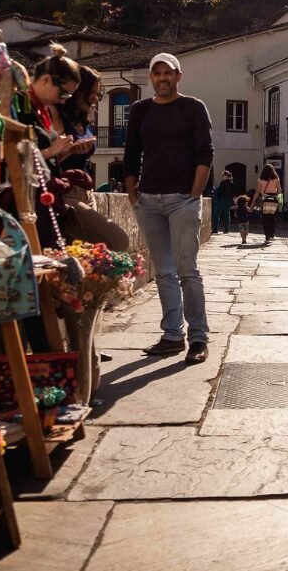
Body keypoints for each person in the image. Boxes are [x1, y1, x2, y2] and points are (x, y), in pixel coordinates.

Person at [123, 52, 214, 365]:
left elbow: (205, 152)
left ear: (178, 76)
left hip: (181, 200)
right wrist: (134, 193)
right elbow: (131, 152)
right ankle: (172, 335)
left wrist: (194, 193)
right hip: (148, 200)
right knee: (163, 272)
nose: (162, 78)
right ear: (151, 77)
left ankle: (198, 337)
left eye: (168, 73)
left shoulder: (193, 108)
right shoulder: (140, 110)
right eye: (156, 73)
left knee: (188, 271)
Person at [52, 64, 101, 205]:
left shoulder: (84, 121)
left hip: (86, 192)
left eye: (97, 94)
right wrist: (70, 151)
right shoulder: (57, 116)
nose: (94, 98)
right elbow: (44, 161)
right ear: (77, 91)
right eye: (90, 93)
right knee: (108, 229)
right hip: (66, 192)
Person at [251, 164, 282, 244]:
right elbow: (279, 191)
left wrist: (252, 203)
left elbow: (257, 193)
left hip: (265, 200)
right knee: (272, 218)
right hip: (274, 200)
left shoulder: (260, 180)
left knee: (265, 219)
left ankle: (267, 236)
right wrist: (281, 202)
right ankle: (272, 235)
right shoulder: (276, 179)